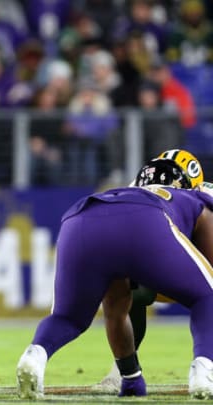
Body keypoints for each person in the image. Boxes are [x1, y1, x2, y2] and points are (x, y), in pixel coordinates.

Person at [16, 158, 213, 400]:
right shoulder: (197, 197)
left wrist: (132, 379)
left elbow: (117, 310)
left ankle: (35, 355)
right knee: (208, 296)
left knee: (73, 316)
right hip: (146, 220)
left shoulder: (124, 189)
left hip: (80, 218)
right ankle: (204, 369)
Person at [97, 148, 206, 392]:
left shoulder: (204, 195)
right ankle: (122, 370)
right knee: (129, 290)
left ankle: (205, 366)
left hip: (198, 261)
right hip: (158, 261)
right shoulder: (133, 190)